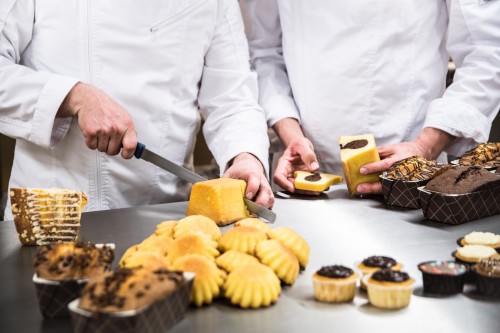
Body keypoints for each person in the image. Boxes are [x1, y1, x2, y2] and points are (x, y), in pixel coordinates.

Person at [0, 0, 274, 220]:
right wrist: (73, 96)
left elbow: (233, 98)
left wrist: (245, 156)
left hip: (164, 220)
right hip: (49, 216)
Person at [244, 0, 500, 195]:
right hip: (301, 174)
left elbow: (488, 52)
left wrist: (424, 146)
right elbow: (264, 52)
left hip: (410, 175)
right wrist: (292, 136)